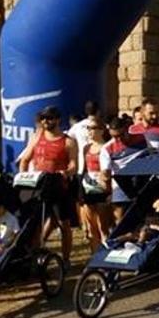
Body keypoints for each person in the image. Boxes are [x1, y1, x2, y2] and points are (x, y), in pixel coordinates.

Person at [18, 105, 78, 267]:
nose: (46, 121)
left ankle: (65, 260)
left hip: (59, 187)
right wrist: (23, 176)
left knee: (64, 224)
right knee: (34, 224)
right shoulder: (37, 137)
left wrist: (66, 172)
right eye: (43, 118)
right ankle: (33, 257)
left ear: (58, 120)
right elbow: (25, 159)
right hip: (39, 187)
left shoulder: (68, 141)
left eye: (49, 118)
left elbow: (74, 165)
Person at [100, 115, 147, 223]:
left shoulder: (142, 138)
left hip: (142, 182)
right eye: (114, 136)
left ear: (127, 129)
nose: (118, 139)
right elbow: (105, 171)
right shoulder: (108, 148)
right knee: (121, 219)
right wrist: (104, 178)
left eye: (120, 135)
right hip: (121, 186)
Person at [79, 115, 110, 251]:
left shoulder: (107, 147)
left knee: (103, 226)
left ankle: (106, 253)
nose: (90, 131)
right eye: (88, 128)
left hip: (103, 189)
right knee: (91, 226)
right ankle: (94, 255)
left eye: (93, 128)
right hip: (88, 188)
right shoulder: (86, 148)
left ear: (102, 130)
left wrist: (109, 190)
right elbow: (84, 169)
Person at [67, 100, 100, 173]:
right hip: (98, 166)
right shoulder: (102, 127)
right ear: (98, 111)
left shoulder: (77, 126)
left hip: (82, 165)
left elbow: (68, 139)